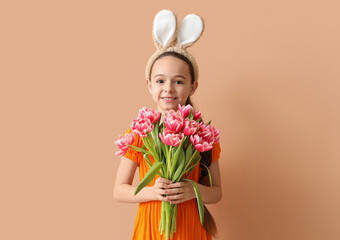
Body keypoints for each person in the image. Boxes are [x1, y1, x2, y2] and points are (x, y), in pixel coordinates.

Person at [113, 10, 222, 240]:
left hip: (189, 230)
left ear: (193, 87)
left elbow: (216, 193)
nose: (169, 89)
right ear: (149, 85)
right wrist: (152, 192)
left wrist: (194, 190)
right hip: (151, 230)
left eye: (179, 81)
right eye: (160, 80)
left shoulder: (202, 135)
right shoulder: (139, 132)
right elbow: (119, 190)